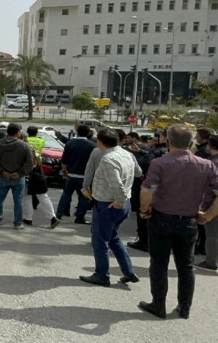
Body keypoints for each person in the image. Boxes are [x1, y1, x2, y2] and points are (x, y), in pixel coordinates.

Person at [137, 125, 218, 320]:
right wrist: (208, 215)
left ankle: (158, 304)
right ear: (191, 143)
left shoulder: (159, 163)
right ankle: (184, 308)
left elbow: (148, 190)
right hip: (189, 221)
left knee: (159, 264)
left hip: (162, 218)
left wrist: (144, 209)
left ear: (167, 140)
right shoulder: (206, 165)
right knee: (186, 266)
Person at [79, 128, 140, 286]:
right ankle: (128, 271)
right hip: (123, 203)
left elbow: (117, 184)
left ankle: (102, 275)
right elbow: (136, 174)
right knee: (113, 237)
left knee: (99, 240)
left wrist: (119, 200)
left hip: (109, 204)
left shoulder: (108, 159)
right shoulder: (127, 154)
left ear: (99, 141)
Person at [0, 123, 34, 230]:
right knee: (18, 201)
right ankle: (17, 223)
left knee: (0, 199)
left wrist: (1, 171)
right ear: (18, 132)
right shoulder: (24, 145)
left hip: (3, 176)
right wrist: (20, 173)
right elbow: (30, 162)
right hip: (18, 178)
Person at [58, 124, 96, 224]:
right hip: (85, 176)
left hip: (71, 175)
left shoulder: (70, 143)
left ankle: (59, 214)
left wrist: (64, 171)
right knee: (85, 197)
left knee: (66, 195)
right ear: (88, 133)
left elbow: (64, 159)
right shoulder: (92, 146)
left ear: (77, 132)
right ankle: (80, 217)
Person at [22, 130, 60, 229]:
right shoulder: (35, 149)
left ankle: (28, 218)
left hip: (29, 176)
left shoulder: (24, 150)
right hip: (39, 174)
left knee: (27, 197)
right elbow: (39, 162)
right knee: (43, 197)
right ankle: (52, 217)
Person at [196, 135, 218, 272]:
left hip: (213, 202)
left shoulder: (212, 163)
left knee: (213, 234)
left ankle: (211, 262)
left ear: (209, 146)